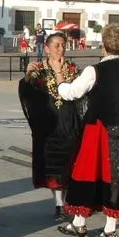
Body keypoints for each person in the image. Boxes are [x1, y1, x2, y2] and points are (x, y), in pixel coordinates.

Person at [54, 23, 119, 237]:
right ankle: (109, 228)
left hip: (98, 128)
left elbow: (71, 93)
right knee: (117, 176)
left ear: (104, 47)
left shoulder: (94, 71)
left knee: (88, 171)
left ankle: (80, 222)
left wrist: (59, 75)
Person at [19, 32, 84, 222]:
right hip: (48, 125)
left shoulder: (72, 69)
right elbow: (27, 94)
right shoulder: (38, 69)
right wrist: (27, 78)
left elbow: (82, 93)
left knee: (70, 162)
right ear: (46, 48)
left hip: (69, 121)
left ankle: (71, 200)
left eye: (63, 45)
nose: (60, 49)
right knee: (53, 167)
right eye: (56, 45)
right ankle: (59, 205)